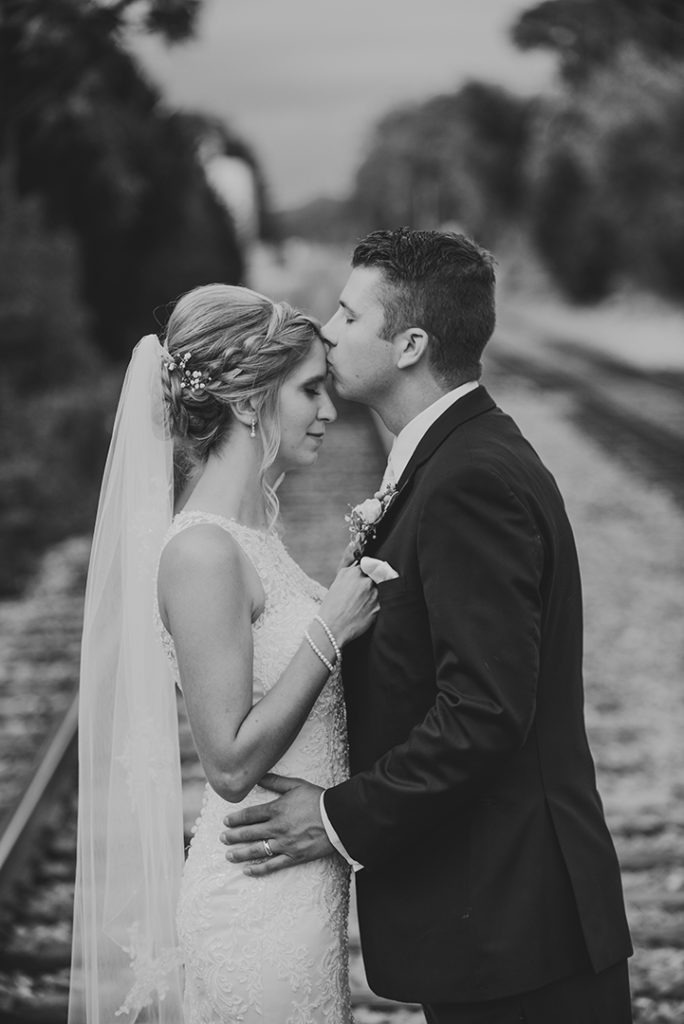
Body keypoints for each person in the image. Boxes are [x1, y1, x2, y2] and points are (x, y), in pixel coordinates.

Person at [221, 228, 634, 1024]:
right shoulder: (452, 458)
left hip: (519, 933)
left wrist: (336, 817)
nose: (327, 331)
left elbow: (483, 711)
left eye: (348, 316)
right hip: (494, 924)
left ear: (409, 344)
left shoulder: (467, 479)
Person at [69, 284, 378, 1024]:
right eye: (310, 390)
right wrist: (329, 628)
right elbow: (230, 764)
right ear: (247, 402)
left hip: (302, 891)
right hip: (256, 904)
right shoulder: (203, 551)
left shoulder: (252, 537)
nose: (329, 411)